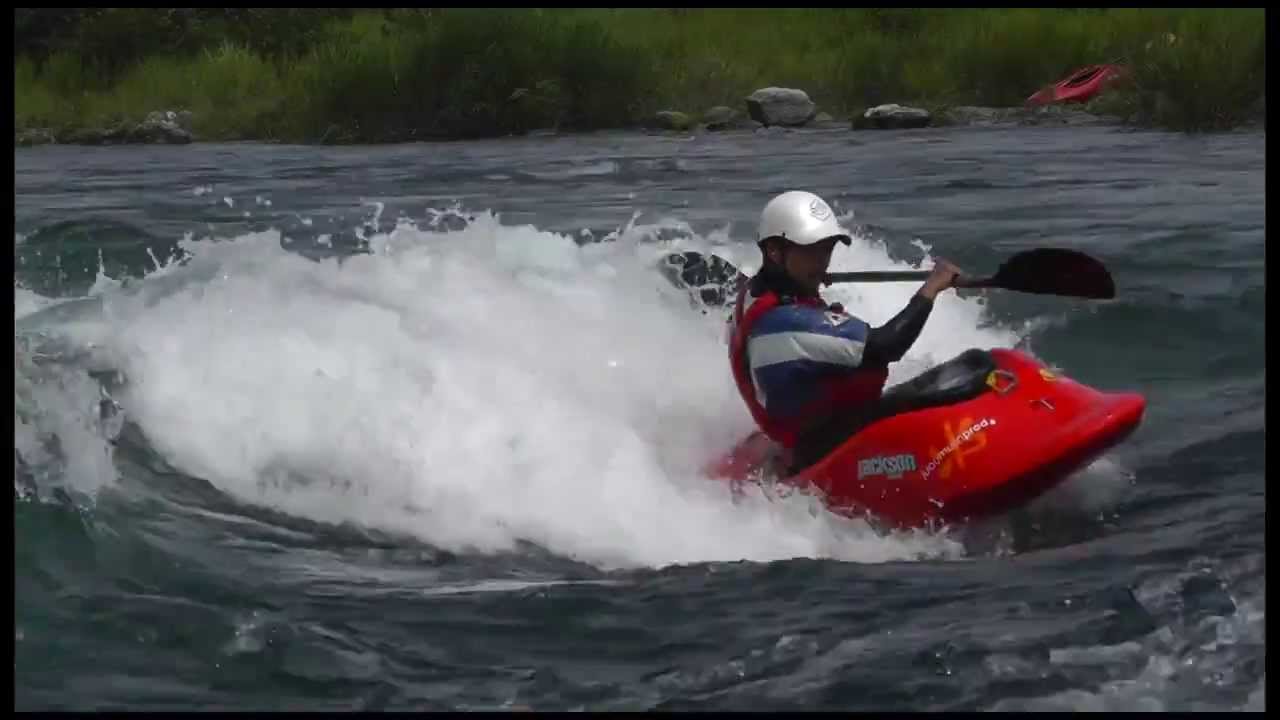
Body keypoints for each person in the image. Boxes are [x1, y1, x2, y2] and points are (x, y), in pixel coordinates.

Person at [727, 190, 964, 471]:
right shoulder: (787, 324)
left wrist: (804, 284)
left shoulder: (755, 294)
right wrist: (931, 288)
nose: (823, 261)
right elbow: (888, 346)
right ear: (775, 252)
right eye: (811, 251)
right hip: (825, 445)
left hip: (806, 421)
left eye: (826, 249)